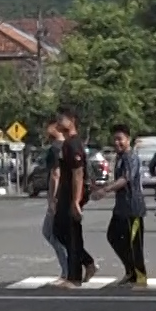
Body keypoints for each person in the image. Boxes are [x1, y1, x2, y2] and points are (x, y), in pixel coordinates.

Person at [100, 124, 148, 287]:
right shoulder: (120, 157)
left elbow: (125, 179)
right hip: (121, 207)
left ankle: (140, 276)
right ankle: (130, 270)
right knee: (113, 236)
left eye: (120, 139)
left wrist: (106, 189)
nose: (117, 143)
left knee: (135, 243)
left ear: (128, 140)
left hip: (133, 207)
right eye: (114, 139)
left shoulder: (130, 157)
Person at [53, 109, 97, 286]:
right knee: (59, 230)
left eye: (61, 119)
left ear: (72, 120)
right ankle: (87, 262)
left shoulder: (73, 144)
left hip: (73, 194)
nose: (57, 122)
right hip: (65, 192)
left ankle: (74, 277)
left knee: (71, 233)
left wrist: (76, 201)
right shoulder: (66, 143)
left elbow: (78, 173)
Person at [40, 121, 70, 276]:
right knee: (60, 233)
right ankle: (81, 264)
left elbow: (55, 174)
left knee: (51, 232)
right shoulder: (69, 146)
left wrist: (52, 199)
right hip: (69, 195)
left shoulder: (55, 149)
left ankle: (69, 269)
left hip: (59, 197)